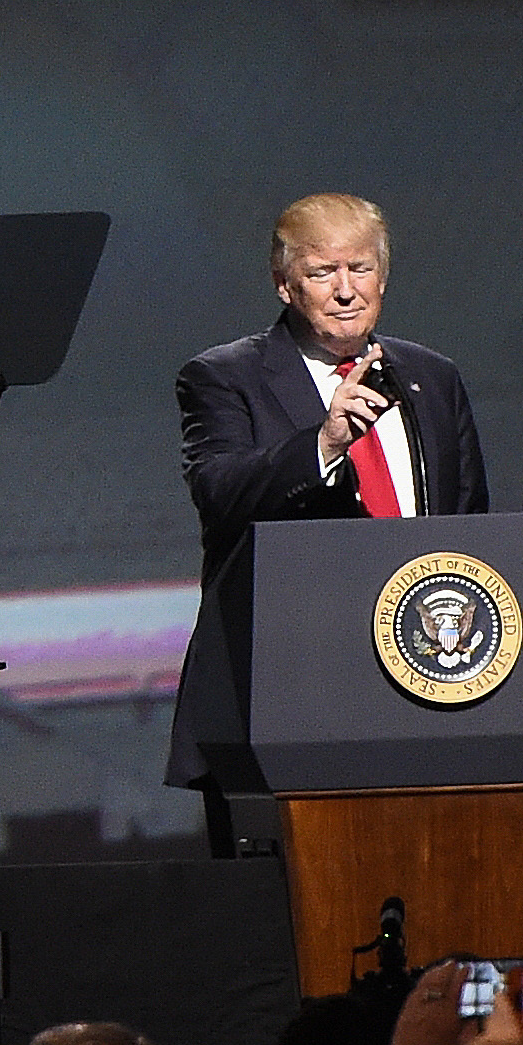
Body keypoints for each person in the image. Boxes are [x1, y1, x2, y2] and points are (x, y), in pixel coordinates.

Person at [167, 192, 488, 856]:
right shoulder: (225, 378)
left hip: (422, 696)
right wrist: (324, 444)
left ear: (384, 276)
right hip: (284, 700)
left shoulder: (434, 378)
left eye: (360, 269)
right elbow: (220, 491)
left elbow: (471, 532)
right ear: (284, 285)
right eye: (322, 274)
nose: (346, 291)